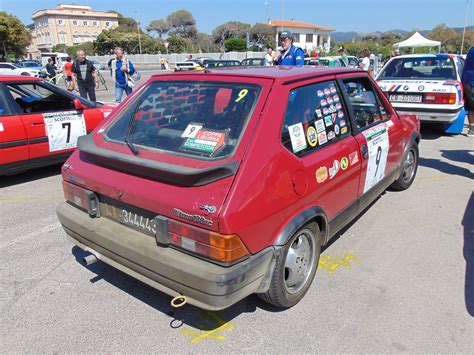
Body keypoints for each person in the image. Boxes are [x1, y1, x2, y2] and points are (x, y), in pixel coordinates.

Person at [461, 47, 474, 137]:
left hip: (468, 81)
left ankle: (472, 128)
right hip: (471, 81)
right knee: (472, 107)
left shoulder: (471, 50)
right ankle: (472, 129)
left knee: (471, 107)